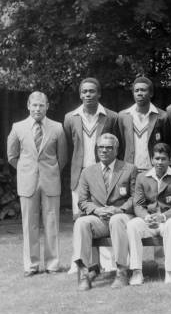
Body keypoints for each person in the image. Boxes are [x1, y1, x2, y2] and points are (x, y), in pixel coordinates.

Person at [7, 91, 68, 276]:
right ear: (28, 105)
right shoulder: (18, 127)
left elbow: (62, 157)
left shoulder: (57, 127)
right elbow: (12, 156)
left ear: (47, 106)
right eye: (34, 105)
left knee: (51, 223)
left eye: (41, 105)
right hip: (28, 181)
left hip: (50, 181)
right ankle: (31, 265)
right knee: (29, 224)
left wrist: (49, 171)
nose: (37, 108)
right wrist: (26, 170)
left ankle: (52, 264)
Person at [64, 77, 120, 274]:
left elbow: (115, 145)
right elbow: (70, 147)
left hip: (103, 173)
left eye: (92, 91)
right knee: (80, 217)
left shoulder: (111, 116)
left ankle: (107, 262)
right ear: (80, 94)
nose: (88, 94)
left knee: (103, 215)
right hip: (80, 174)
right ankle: (78, 260)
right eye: (84, 91)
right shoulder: (71, 117)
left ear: (99, 94)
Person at [72, 133, 138, 290]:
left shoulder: (129, 169)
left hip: (122, 216)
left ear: (116, 150)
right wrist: (96, 210)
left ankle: (121, 271)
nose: (104, 151)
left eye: (108, 147)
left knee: (116, 220)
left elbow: (136, 197)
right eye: (100, 147)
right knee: (81, 222)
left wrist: (119, 209)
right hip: (99, 218)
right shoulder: (87, 172)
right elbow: (82, 201)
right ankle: (84, 273)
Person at [126, 143, 171, 285]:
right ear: (152, 160)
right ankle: (136, 272)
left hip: (167, 219)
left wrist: (163, 217)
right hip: (149, 221)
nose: (159, 162)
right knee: (133, 225)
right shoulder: (142, 177)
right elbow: (138, 204)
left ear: (170, 160)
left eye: (163, 159)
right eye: (157, 158)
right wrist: (147, 217)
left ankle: (170, 272)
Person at [117, 76, 171, 173]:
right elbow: (120, 146)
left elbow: (168, 144)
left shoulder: (162, 116)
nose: (139, 93)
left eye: (143, 90)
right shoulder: (123, 116)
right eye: (136, 91)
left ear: (151, 93)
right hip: (128, 170)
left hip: (154, 170)